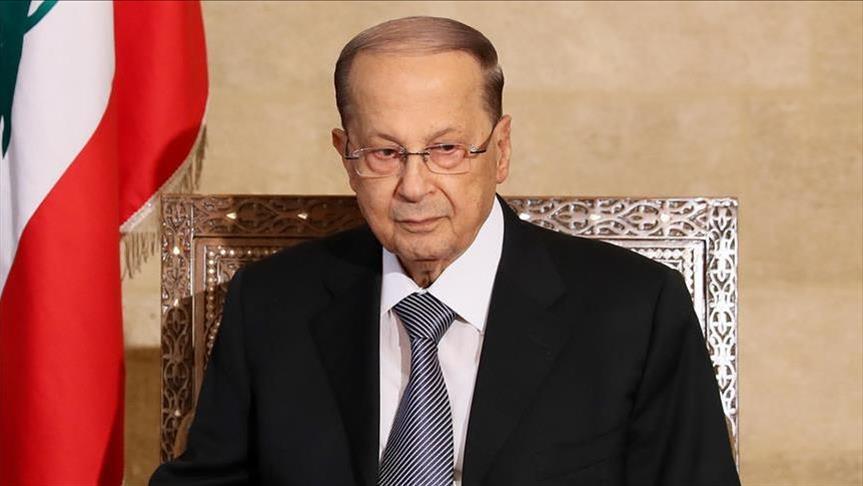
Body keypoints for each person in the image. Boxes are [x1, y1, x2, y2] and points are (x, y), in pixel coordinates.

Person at [150, 16, 740, 486]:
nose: (414, 186)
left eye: (447, 149)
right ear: (346, 156)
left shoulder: (635, 309)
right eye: (385, 153)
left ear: (500, 150)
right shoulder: (271, 304)